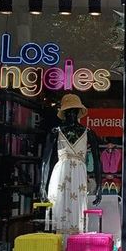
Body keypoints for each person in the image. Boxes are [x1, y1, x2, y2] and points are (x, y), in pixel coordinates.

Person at [40, 94, 103, 234]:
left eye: (74, 111)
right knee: (59, 210)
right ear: (65, 113)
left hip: (79, 175)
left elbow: (97, 161)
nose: (72, 114)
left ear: (78, 112)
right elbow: (45, 160)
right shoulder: (55, 132)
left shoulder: (89, 133)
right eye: (69, 111)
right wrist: (42, 185)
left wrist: (99, 186)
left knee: (78, 212)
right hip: (60, 176)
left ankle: (75, 244)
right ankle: (59, 243)